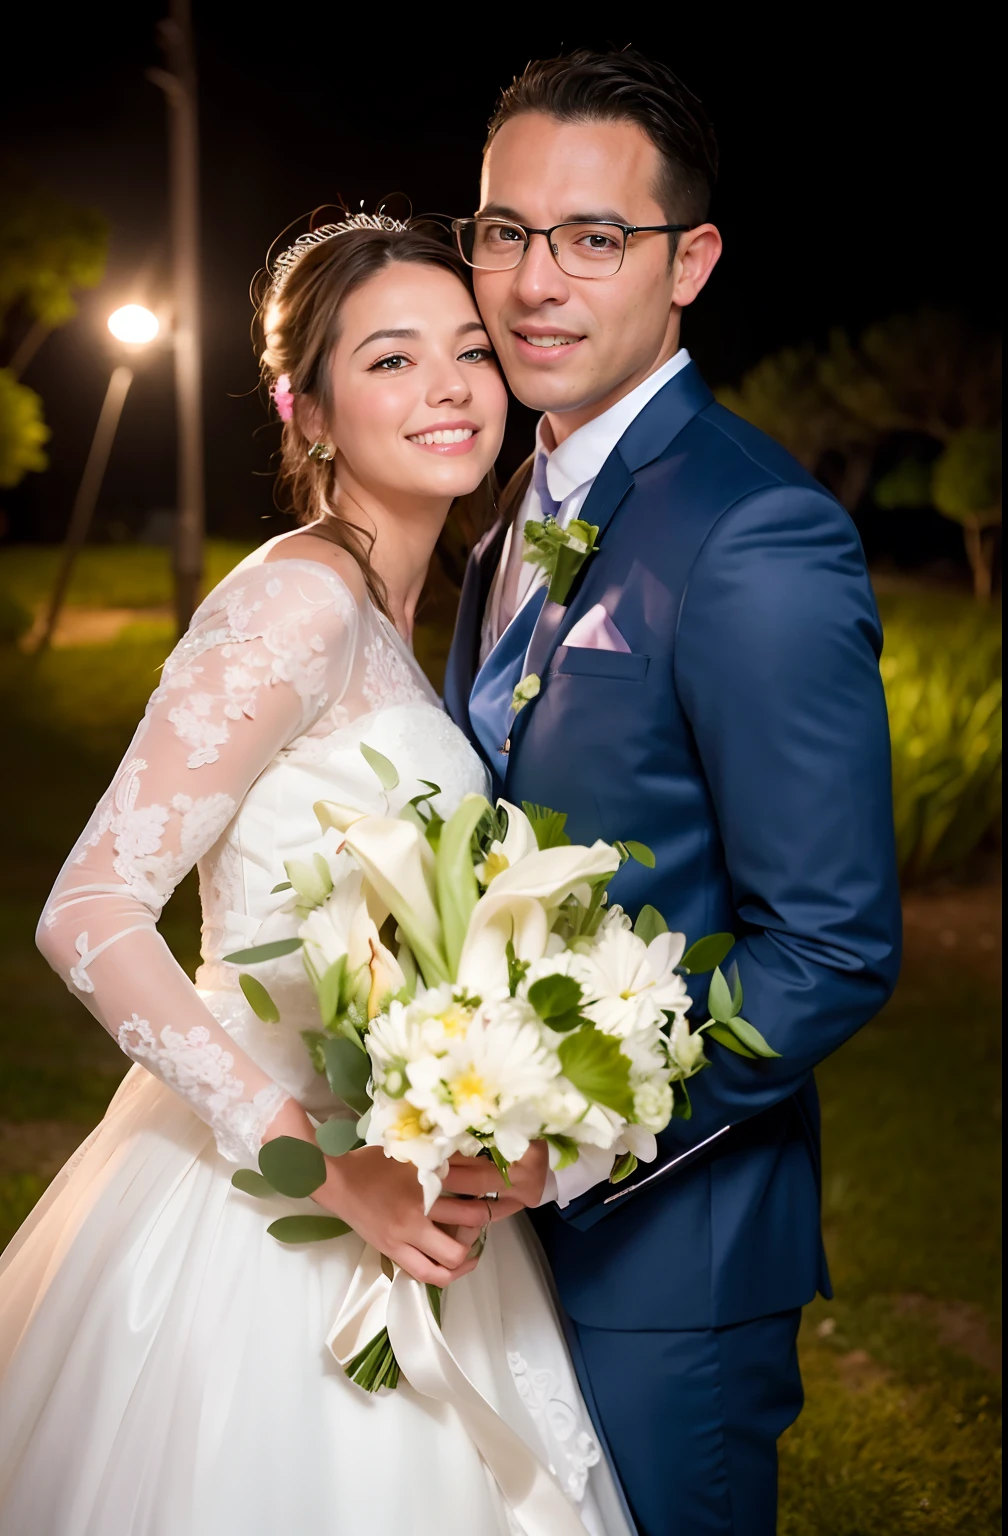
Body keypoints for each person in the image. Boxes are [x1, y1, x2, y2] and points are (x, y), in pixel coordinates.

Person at [0, 216, 631, 1536]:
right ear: (311, 409)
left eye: (468, 349)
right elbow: (90, 910)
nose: (452, 387)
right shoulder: (301, 602)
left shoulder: (419, 610)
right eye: (392, 360)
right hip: (267, 1202)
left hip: (411, 1162)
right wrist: (318, 1167)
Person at [443, 49, 903, 1536]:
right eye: (504, 231)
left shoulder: (755, 530)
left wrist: (561, 1133)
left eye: (593, 238)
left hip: (673, 1270)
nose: (535, 282)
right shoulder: (520, 499)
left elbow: (829, 946)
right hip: (490, 1249)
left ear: (689, 261)